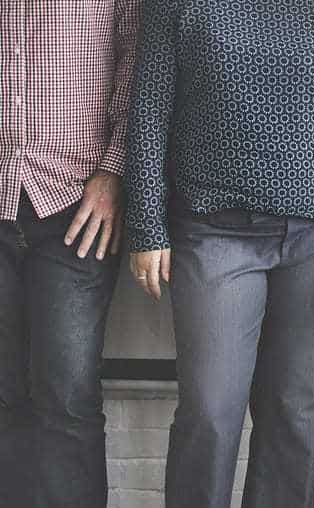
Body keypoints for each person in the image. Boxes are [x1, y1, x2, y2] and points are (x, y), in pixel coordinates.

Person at [124, 1, 314, 507]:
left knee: (296, 413)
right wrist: (146, 226)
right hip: (212, 231)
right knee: (210, 410)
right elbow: (149, 110)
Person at [0, 2, 140, 507]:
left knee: (67, 399)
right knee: (3, 398)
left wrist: (113, 173)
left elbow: (136, 59)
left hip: (74, 209)